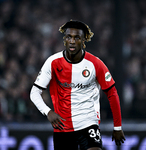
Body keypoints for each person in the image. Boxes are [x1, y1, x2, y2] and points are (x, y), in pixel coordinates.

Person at [30, 20, 125, 150]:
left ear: (84, 40)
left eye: (77, 38)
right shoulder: (52, 62)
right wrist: (48, 112)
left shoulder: (95, 64)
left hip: (88, 123)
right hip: (62, 127)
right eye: (69, 37)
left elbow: (112, 93)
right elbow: (34, 92)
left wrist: (118, 127)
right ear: (65, 39)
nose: (72, 41)